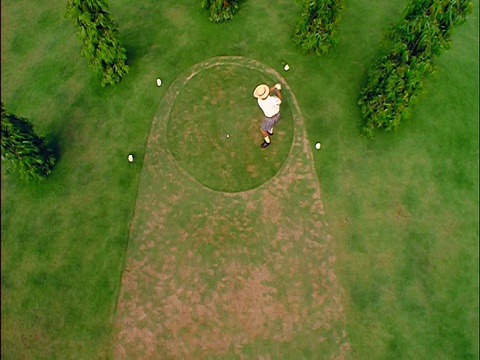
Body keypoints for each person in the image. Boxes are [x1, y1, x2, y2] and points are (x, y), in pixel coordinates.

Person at [253, 83, 282, 148]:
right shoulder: (273, 99)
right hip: (277, 115)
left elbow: (268, 92)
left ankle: (267, 141)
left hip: (269, 118)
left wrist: (274, 87)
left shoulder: (259, 101)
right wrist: (278, 90)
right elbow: (279, 100)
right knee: (272, 124)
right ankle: (270, 131)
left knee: (263, 130)